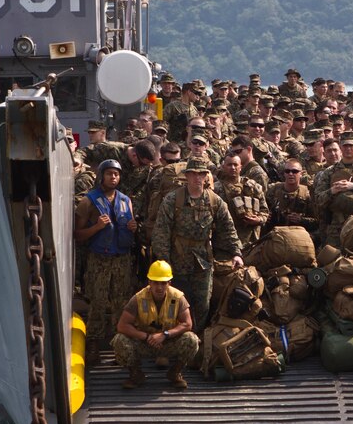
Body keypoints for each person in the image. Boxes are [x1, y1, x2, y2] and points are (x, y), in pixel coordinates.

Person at [151, 156, 243, 332]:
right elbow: (161, 231)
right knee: (174, 304)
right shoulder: (173, 199)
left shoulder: (214, 201)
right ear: (186, 176)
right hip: (177, 260)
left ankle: (198, 342)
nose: (197, 178)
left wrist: (236, 252)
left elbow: (228, 228)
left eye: (201, 174)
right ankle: (173, 342)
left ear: (206, 175)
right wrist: (164, 262)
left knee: (202, 304)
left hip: (203, 261)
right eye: (192, 174)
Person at [74, 159, 138, 366]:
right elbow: (77, 235)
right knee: (97, 303)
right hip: (99, 259)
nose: (113, 177)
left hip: (122, 259)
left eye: (117, 174)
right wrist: (96, 228)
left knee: (121, 302)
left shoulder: (126, 200)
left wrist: (133, 227)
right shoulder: (88, 201)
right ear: (101, 175)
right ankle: (93, 344)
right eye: (109, 173)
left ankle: (120, 345)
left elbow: (130, 229)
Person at [111, 260, 201, 390]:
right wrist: (146, 337)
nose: (159, 287)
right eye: (155, 283)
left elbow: (187, 324)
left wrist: (165, 335)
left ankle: (175, 373)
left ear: (169, 283)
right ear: (149, 282)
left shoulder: (178, 297)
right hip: (144, 343)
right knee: (119, 340)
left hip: (168, 343)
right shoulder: (138, 299)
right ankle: (135, 374)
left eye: (163, 283)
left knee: (192, 340)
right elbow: (122, 326)